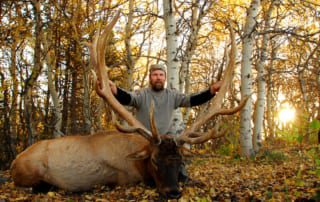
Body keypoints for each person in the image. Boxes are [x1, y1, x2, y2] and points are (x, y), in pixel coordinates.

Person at [109, 64, 222, 182]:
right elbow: (127, 98)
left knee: (177, 150)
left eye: (161, 75)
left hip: (165, 143)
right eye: (155, 75)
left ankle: (180, 173)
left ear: (165, 78)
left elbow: (191, 100)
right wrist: (115, 90)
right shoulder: (141, 94)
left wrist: (211, 90)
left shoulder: (172, 95)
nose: (158, 77)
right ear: (150, 77)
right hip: (144, 141)